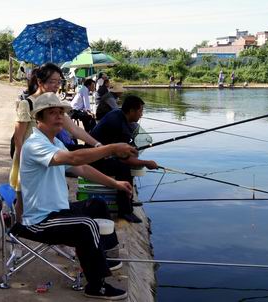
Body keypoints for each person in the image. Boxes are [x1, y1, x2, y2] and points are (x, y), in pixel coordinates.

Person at [19, 92, 137, 300]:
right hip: (40, 220)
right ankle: (96, 285)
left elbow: (82, 168)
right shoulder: (34, 144)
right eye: (52, 113)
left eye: (60, 112)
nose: (58, 116)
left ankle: (104, 256)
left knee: (97, 205)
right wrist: (111, 148)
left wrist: (115, 184)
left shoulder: (54, 142)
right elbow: (73, 158)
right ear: (39, 118)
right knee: (86, 225)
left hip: (59, 211)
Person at [10, 63, 101, 223]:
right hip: (28, 154)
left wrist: (98, 145)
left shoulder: (55, 105)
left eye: (59, 82)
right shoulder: (27, 104)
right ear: (40, 82)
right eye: (52, 81)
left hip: (49, 153)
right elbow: (18, 137)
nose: (56, 86)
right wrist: (22, 162)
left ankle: (49, 224)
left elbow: (75, 130)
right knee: (23, 198)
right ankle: (18, 232)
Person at [91, 95, 159, 223]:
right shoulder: (117, 124)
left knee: (126, 164)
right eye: (140, 111)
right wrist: (147, 163)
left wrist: (132, 151)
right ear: (132, 111)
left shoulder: (118, 114)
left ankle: (129, 200)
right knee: (123, 168)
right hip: (93, 160)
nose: (141, 115)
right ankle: (124, 211)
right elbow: (124, 159)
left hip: (100, 154)